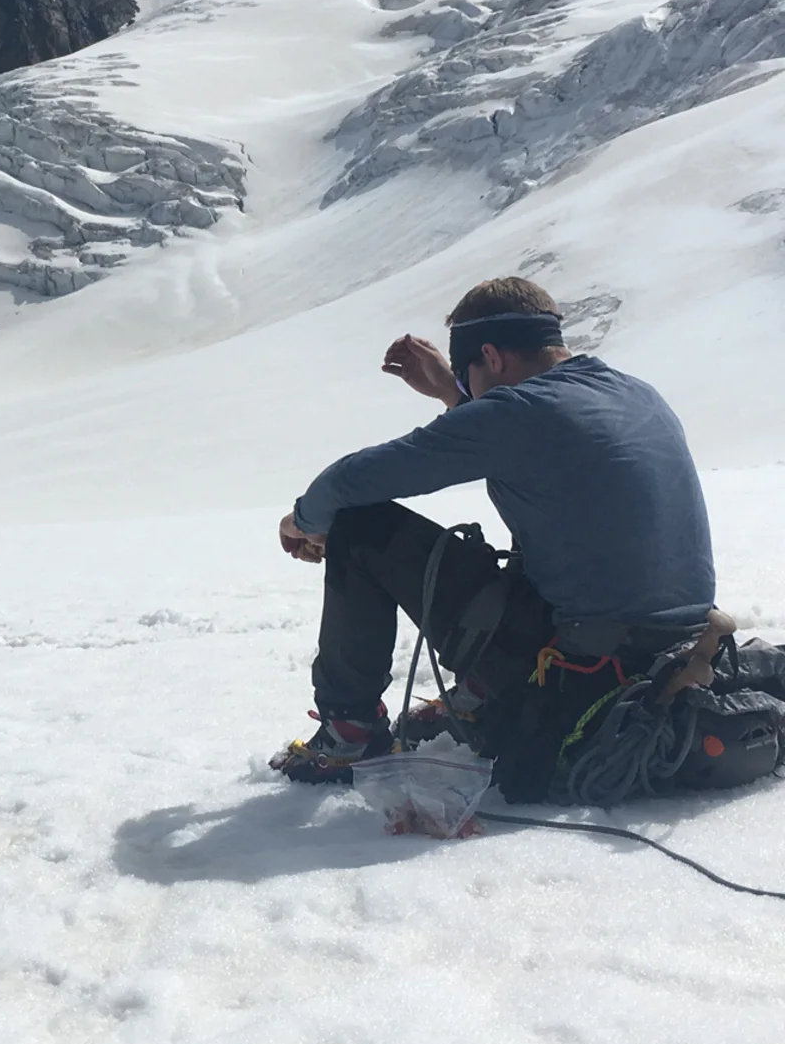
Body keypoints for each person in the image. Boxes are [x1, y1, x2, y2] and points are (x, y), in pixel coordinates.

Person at [271, 277, 716, 794]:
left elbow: (350, 481)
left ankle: (349, 735)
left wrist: (303, 523)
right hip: (672, 660)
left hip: (578, 674)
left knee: (359, 523)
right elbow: (533, 449)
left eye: (469, 375)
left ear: (491, 356)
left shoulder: (519, 412)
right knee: (548, 529)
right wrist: (454, 390)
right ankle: (479, 695)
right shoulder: (636, 394)